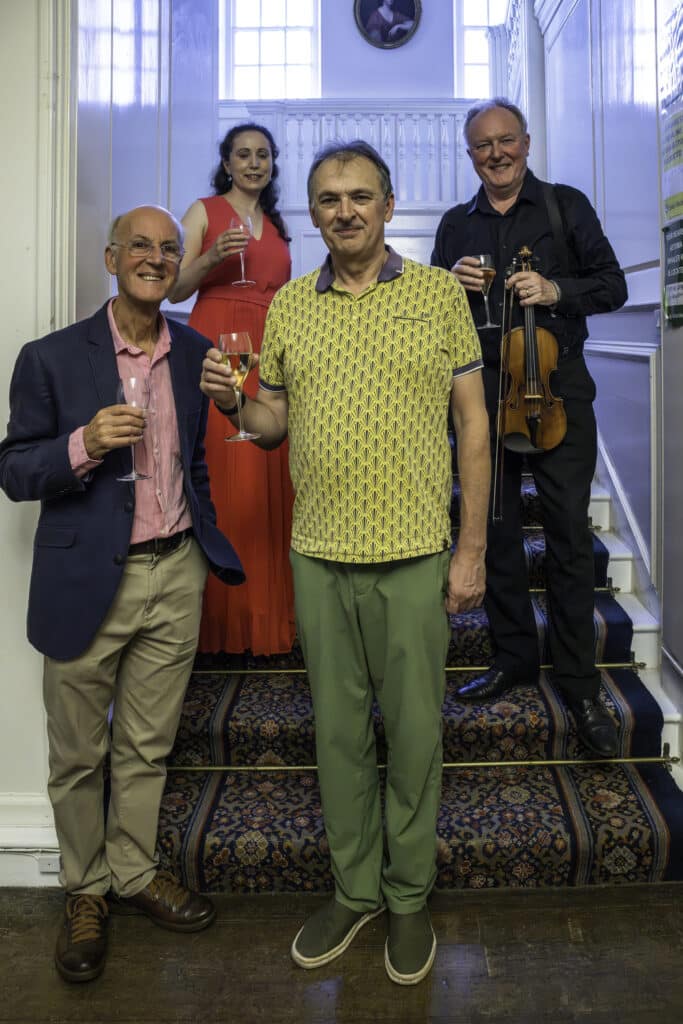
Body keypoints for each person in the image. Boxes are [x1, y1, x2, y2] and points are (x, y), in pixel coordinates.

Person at [200, 141, 490, 985]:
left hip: (413, 554)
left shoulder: (436, 295)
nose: (345, 210)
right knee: (336, 734)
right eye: (329, 199)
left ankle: (407, 897)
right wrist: (233, 403)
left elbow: (472, 425)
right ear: (315, 214)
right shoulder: (290, 305)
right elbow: (271, 424)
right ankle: (355, 889)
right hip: (320, 555)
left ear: (388, 206)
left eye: (360, 196)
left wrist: (470, 548)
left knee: (415, 733)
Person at [0, 205, 244, 984]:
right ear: (111, 258)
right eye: (140, 245)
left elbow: (194, 465)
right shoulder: (50, 358)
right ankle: (85, 890)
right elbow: (14, 471)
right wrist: (83, 444)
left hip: (175, 573)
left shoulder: (195, 352)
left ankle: (133, 872)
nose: (155, 258)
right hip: (84, 581)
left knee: (146, 744)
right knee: (78, 753)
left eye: (169, 249)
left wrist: (201, 543)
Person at [431, 98, 628, 758]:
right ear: (470, 155)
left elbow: (612, 285)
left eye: (506, 140)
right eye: (482, 145)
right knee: (495, 531)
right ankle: (513, 656)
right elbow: (429, 314)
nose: (496, 153)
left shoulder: (565, 206)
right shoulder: (455, 224)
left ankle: (578, 681)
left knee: (568, 537)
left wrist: (555, 290)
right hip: (483, 397)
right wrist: (448, 285)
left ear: (526, 142)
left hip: (558, 393)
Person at [168, 123, 295, 655]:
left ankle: (267, 617)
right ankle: (219, 622)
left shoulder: (278, 224)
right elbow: (174, 287)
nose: (254, 163)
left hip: (268, 345)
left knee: (269, 466)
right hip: (217, 340)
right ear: (226, 163)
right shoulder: (203, 212)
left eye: (263, 155)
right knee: (223, 473)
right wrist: (212, 255)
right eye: (243, 154)